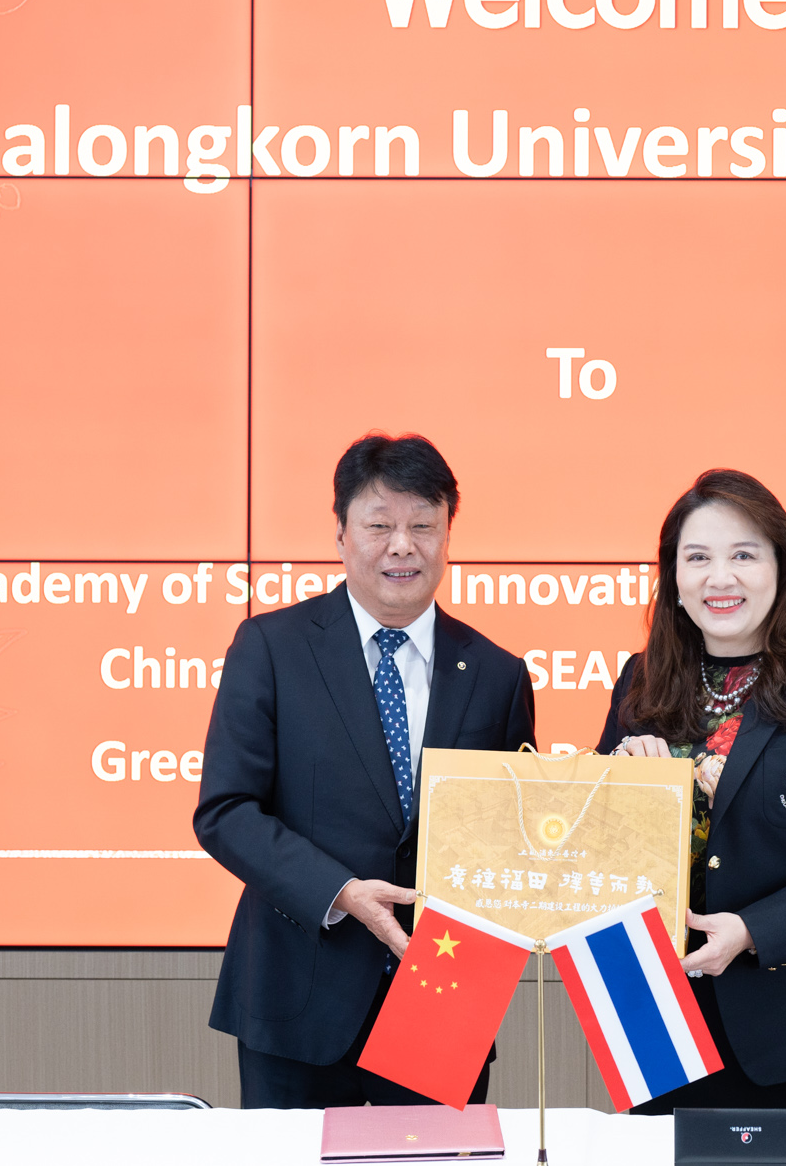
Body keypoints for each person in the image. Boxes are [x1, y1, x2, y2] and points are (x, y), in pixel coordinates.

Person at [194, 434, 536, 1108]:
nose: (402, 545)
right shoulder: (272, 647)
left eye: (422, 526)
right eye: (380, 525)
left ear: (447, 536)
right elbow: (225, 810)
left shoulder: (498, 673)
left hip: (445, 1001)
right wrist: (340, 890)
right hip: (298, 995)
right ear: (342, 535)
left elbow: (508, 833)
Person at [597, 468, 786, 1111]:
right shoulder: (639, 683)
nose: (720, 578)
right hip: (653, 1013)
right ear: (674, 577)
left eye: (743, 555)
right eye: (699, 557)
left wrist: (753, 931)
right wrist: (620, 785)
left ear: (781, 570)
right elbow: (595, 847)